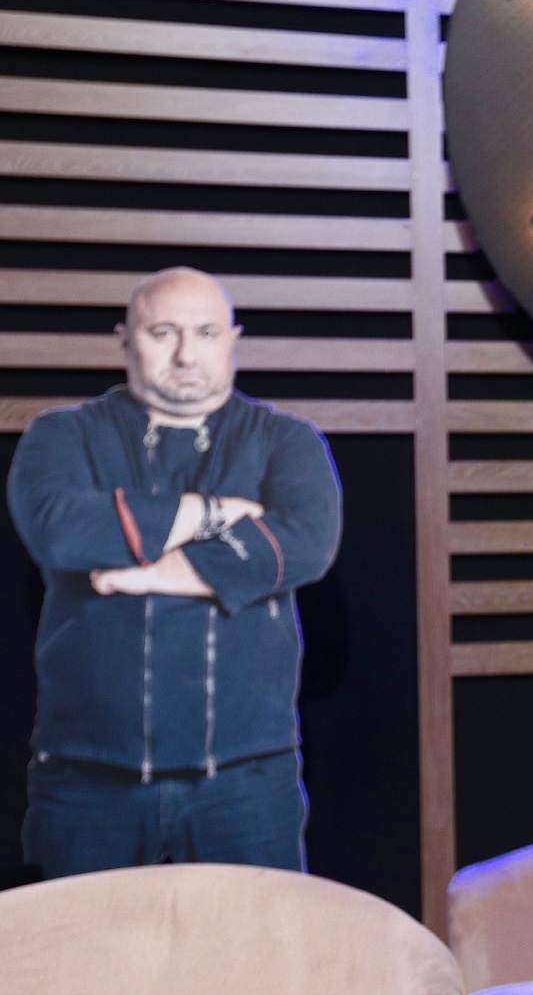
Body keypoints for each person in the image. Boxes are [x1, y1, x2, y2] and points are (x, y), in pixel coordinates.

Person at [6, 267, 342, 877]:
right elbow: (59, 529)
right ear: (125, 340)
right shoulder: (62, 434)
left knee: (252, 938)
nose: (186, 353)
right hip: (86, 775)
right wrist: (217, 514)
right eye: (163, 332)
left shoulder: (285, 440)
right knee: (78, 940)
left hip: (246, 777)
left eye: (206, 333)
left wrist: (148, 572)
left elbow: (307, 542)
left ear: (232, 341)